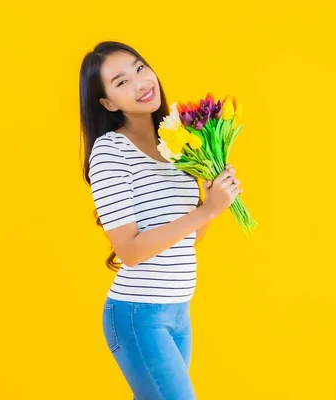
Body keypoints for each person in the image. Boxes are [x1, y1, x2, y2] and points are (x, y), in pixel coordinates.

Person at [79, 41, 242, 400]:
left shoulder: (176, 146)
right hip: (138, 316)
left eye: (140, 68)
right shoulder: (110, 151)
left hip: (179, 310)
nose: (140, 82)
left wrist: (215, 192)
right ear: (108, 103)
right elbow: (131, 251)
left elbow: (188, 239)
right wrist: (207, 209)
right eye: (121, 82)